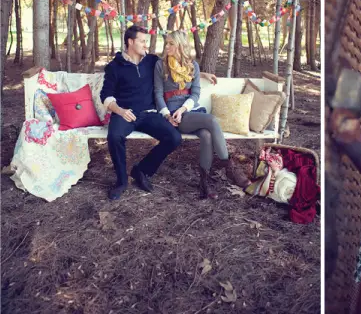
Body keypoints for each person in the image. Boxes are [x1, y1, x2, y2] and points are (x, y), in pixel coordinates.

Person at [153, 30, 252, 199]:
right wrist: (167, 115)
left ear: (181, 46)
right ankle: (230, 168)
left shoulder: (193, 66)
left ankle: (204, 184)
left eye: (171, 43)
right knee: (212, 120)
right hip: (175, 115)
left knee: (206, 135)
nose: (166, 46)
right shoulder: (161, 65)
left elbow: (195, 93)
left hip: (191, 109)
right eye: (166, 43)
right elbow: (157, 93)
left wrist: (184, 108)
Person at [100, 25, 183, 200]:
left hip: (149, 113)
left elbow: (177, 67)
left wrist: (202, 74)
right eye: (143, 41)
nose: (146, 44)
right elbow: (106, 96)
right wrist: (120, 111)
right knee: (114, 136)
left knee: (174, 138)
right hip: (126, 113)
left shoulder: (152, 61)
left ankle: (142, 170)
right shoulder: (114, 67)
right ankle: (122, 181)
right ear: (130, 42)